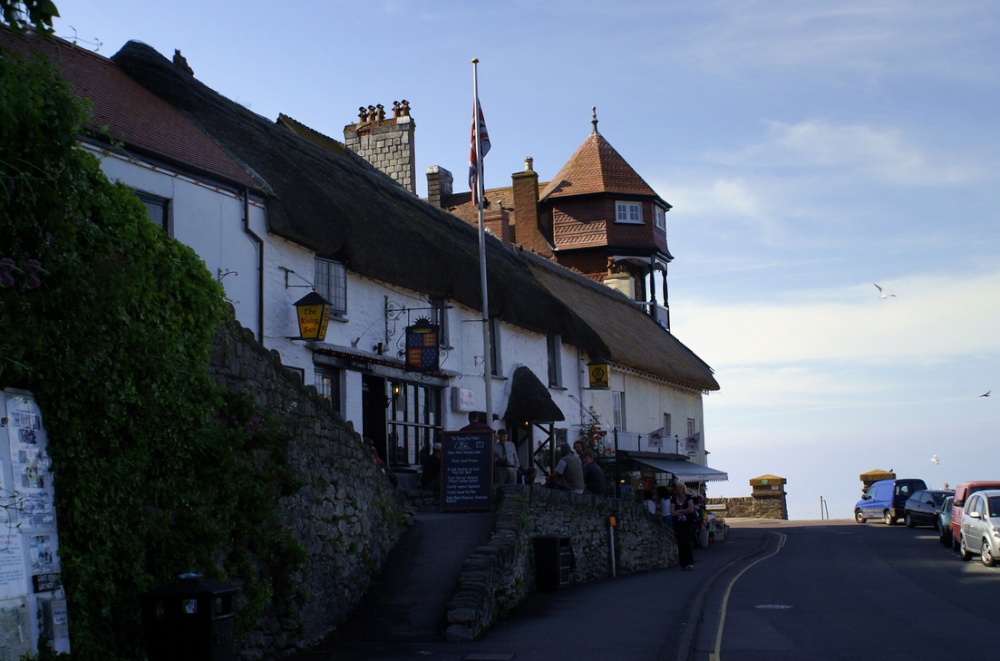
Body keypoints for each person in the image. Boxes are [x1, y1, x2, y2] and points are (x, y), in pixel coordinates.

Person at [671, 482, 697, 570]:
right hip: (678, 524)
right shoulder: (674, 499)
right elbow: (672, 512)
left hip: (687, 523)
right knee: (680, 543)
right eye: (677, 488)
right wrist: (683, 511)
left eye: (680, 488)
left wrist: (680, 511)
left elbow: (691, 509)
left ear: (683, 489)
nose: (678, 489)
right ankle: (683, 563)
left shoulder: (688, 498)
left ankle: (689, 562)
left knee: (687, 542)